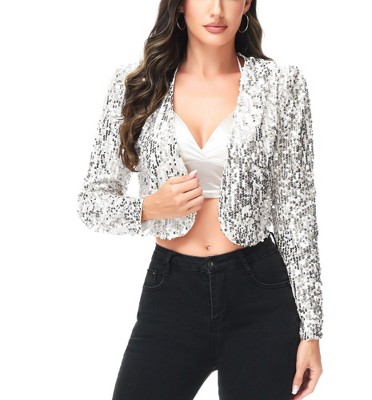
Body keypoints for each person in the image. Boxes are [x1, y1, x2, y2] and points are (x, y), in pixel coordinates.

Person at [77, 0, 324, 399]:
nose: (217, 10)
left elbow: (297, 212)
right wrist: (149, 207)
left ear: (246, 4)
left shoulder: (281, 85)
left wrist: (311, 331)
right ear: (179, 6)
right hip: (171, 291)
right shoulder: (136, 84)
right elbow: (92, 203)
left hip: (259, 293)